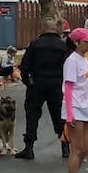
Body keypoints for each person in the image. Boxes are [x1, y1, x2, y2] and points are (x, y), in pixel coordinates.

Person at [15, 18, 68, 160]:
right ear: (54, 29)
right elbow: (67, 66)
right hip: (56, 84)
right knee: (58, 115)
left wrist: (28, 82)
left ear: (42, 28)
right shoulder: (62, 46)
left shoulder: (35, 44)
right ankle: (65, 145)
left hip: (37, 84)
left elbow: (24, 67)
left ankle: (29, 147)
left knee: (32, 115)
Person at [60, 27, 88, 173]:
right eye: (86, 41)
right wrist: (69, 113)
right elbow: (68, 86)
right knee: (76, 149)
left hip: (86, 107)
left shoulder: (84, 60)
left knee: (86, 148)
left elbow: (85, 81)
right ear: (76, 42)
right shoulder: (72, 61)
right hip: (75, 107)